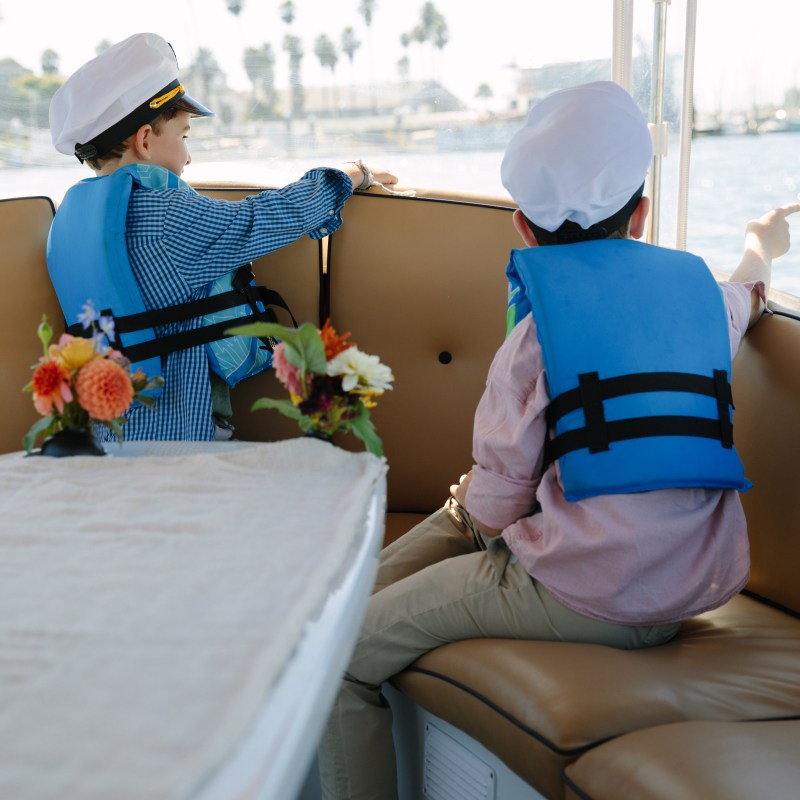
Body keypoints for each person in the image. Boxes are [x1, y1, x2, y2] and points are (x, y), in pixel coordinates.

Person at [317, 81, 800, 799]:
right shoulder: (701, 295)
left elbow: (493, 515)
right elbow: (749, 294)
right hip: (685, 586)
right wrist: (761, 244)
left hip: (581, 592)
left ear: (522, 227)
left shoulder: (535, 338)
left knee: (339, 652)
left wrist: (464, 514)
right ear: (641, 215)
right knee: (358, 590)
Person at [46, 32, 397, 442]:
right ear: (144, 140)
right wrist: (353, 173)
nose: (188, 155)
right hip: (179, 441)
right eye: (183, 136)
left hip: (110, 437)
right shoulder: (166, 218)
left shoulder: (70, 220)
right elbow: (272, 216)